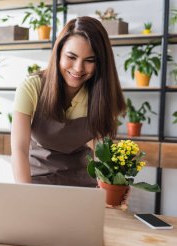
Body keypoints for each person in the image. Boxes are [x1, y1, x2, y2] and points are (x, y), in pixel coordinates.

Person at [11, 16, 126, 187]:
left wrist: (111, 192)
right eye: (71, 57)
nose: (78, 68)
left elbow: (102, 156)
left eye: (89, 60)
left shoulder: (101, 95)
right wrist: (26, 195)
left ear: (100, 63)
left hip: (83, 188)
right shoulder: (32, 87)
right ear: (58, 53)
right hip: (35, 184)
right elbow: (19, 150)